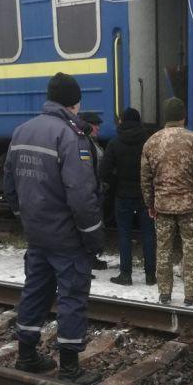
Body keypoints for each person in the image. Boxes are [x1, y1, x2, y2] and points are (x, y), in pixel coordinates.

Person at [4, 72, 104, 383]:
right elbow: (81, 195)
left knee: (35, 292)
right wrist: (94, 238)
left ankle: (26, 356)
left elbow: (10, 185)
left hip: (36, 234)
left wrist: (26, 216)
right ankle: (71, 368)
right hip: (67, 237)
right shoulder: (72, 137)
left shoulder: (22, 131)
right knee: (72, 297)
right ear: (75, 102)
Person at [141, 97, 193, 306]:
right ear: (183, 116)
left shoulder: (151, 142)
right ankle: (191, 295)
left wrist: (150, 203)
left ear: (166, 117)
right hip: (189, 206)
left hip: (162, 206)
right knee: (190, 248)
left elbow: (145, 179)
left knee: (163, 249)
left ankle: (164, 293)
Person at [100, 107, 155, 286]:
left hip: (122, 195)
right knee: (148, 234)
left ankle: (126, 274)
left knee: (124, 234)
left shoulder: (115, 143)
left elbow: (104, 170)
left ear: (122, 121)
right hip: (145, 195)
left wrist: (116, 181)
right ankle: (150, 275)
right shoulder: (148, 142)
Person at [80, 110, 107, 271]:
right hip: (89, 190)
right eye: (95, 125)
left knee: (95, 224)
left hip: (96, 188)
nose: (97, 128)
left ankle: (91, 257)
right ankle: (86, 261)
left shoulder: (91, 141)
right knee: (87, 224)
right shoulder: (83, 142)